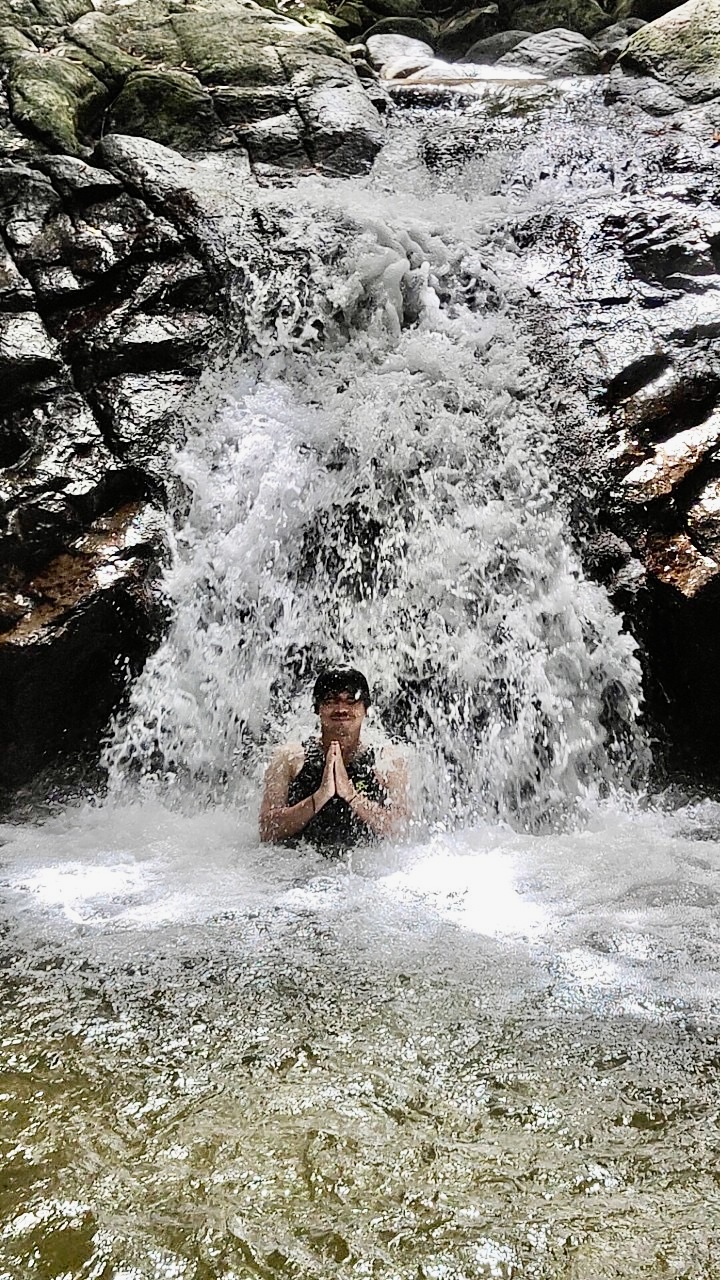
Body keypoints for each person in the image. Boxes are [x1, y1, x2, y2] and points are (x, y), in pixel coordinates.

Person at [259, 668, 408, 850]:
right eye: (330, 701)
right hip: (298, 862)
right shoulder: (290, 758)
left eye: (351, 701)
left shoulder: (387, 761)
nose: (341, 709)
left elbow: (401, 831)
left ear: (366, 709)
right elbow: (267, 831)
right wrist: (319, 797)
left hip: (366, 863)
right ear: (317, 708)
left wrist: (352, 796)